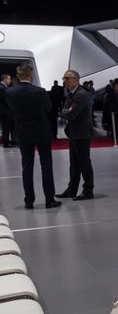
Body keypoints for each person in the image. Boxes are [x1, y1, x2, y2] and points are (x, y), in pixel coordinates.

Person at [5, 64, 60, 209]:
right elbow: (48, 108)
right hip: (42, 131)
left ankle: (29, 201)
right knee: (46, 165)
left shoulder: (9, 92)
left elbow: (10, 109)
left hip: (22, 132)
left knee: (27, 166)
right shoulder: (40, 91)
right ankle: (49, 199)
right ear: (30, 76)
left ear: (18, 76)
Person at [58, 70, 95, 200]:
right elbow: (65, 110)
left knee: (84, 163)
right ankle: (72, 189)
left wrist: (66, 111)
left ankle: (88, 190)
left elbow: (70, 114)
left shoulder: (81, 95)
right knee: (74, 164)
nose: (65, 81)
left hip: (82, 134)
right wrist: (66, 111)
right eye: (64, 78)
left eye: (67, 78)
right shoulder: (72, 94)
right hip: (74, 133)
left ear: (76, 79)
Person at [0, 73, 14, 148]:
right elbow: (6, 100)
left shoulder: (3, 87)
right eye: (9, 79)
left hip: (4, 111)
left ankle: (6, 141)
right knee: (6, 127)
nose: (10, 81)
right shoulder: (1, 88)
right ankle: (6, 143)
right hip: (5, 111)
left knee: (6, 127)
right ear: (5, 79)